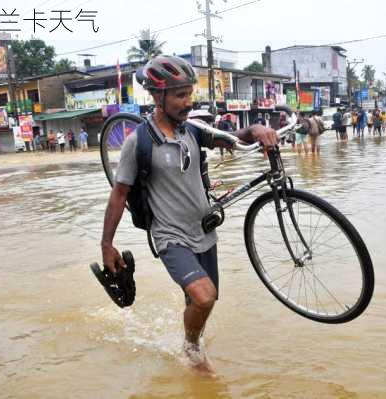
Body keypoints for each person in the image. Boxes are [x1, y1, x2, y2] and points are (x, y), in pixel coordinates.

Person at [101, 56, 278, 374]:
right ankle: (192, 349)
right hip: (171, 237)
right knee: (204, 297)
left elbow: (235, 139)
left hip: (204, 230)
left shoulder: (193, 132)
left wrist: (258, 128)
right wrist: (107, 245)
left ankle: (191, 344)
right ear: (158, 97)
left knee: (199, 300)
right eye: (179, 95)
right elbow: (119, 194)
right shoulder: (137, 142)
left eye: (189, 93)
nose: (187, 102)